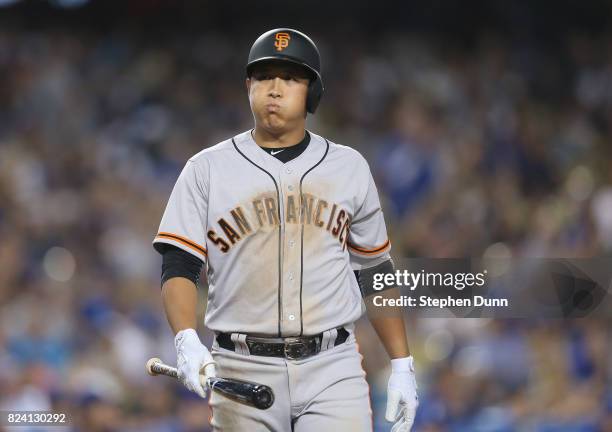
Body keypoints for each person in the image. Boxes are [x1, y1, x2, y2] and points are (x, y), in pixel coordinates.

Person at [152, 28, 418, 431]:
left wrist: (402, 364)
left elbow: (375, 270)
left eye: (290, 78)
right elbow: (179, 264)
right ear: (248, 86)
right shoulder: (206, 169)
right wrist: (185, 337)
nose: (274, 89)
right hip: (241, 365)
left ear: (312, 92)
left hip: (332, 365)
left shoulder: (348, 167)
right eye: (263, 77)